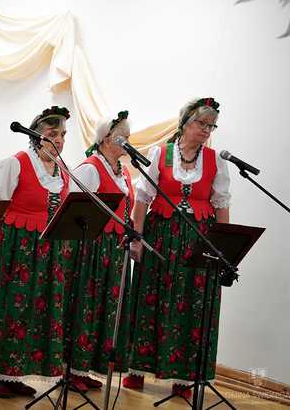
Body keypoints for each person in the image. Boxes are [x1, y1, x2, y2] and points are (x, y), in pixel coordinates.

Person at [124, 98, 230, 400]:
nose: (207, 130)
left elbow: (221, 205)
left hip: (198, 240)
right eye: (201, 124)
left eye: (211, 126)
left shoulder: (215, 161)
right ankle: (137, 368)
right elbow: (142, 199)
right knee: (150, 297)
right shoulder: (160, 154)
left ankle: (184, 376)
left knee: (192, 304)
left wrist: (223, 249)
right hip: (161, 238)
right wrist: (137, 239)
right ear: (185, 123)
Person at [0, 106, 72, 398]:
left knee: (35, 312)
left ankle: (15, 372)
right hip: (17, 248)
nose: (59, 140)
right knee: (10, 309)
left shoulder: (61, 168)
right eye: (53, 134)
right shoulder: (15, 163)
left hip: (48, 251)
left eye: (63, 134)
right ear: (36, 136)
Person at [65, 111, 135, 392]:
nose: (127, 143)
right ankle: (71, 368)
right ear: (106, 138)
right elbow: (74, 211)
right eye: (122, 137)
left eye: (129, 138)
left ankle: (86, 367)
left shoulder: (123, 171)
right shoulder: (90, 169)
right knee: (86, 306)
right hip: (92, 247)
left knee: (104, 310)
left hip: (115, 250)